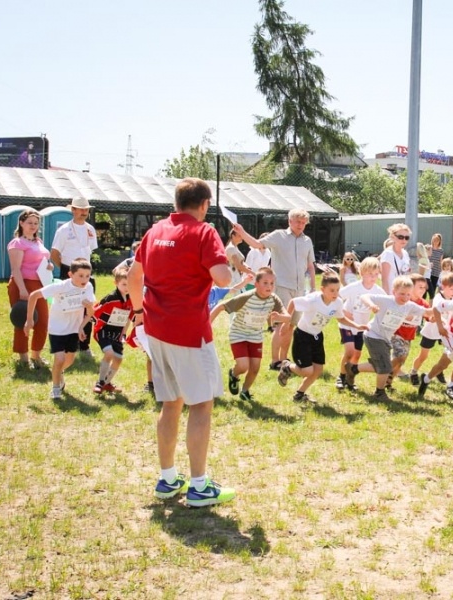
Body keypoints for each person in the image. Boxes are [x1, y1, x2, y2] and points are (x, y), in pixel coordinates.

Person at [128, 177, 236, 508]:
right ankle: (199, 486)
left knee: (170, 403)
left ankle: (168, 478)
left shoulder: (155, 231)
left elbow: (134, 276)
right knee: (201, 404)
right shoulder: (204, 232)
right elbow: (223, 278)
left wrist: (138, 312)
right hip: (189, 331)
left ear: (176, 202)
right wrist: (230, 262)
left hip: (157, 329)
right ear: (204, 205)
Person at [233, 209, 316, 371]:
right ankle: (274, 361)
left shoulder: (307, 241)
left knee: (291, 326)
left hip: (299, 290)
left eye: (303, 222)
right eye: (298, 222)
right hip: (282, 287)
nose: (300, 225)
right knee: (280, 325)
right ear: (290, 221)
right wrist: (241, 232)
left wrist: (312, 288)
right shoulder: (279, 235)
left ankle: (284, 359)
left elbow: (310, 266)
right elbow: (257, 244)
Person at [278, 273, 366, 402]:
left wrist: (356, 325)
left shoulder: (337, 303)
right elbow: (293, 303)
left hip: (317, 337)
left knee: (318, 370)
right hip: (303, 336)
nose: (335, 293)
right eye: (332, 290)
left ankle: (300, 394)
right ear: (322, 289)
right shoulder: (313, 300)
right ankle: (287, 366)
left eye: (337, 290)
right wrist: (286, 323)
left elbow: (341, 318)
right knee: (307, 371)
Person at [212, 267, 289, 402]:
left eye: (272, 283)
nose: (269, 286)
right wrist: (207, 325)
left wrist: (280, 317)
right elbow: (221, 306)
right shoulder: (246, 297)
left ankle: (245, 391)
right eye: (265, 283)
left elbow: (288, 317)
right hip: (238, 334)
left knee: (255, 368)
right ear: (256, 284)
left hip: (255, 336)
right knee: (243, 366)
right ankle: (234, 374)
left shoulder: (274, 299)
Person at [345, 275, 427, 401]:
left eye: (408, 294)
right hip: (373, 335)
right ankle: (379, 393)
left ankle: (353, 369)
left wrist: (440, 315)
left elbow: (427, 311)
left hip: (385, 338)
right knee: (385, 367)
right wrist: (372, 305)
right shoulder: (387, 300)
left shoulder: (409, 305)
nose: (405, 297)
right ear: (394, 292)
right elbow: (364, 296)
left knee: (381, 364)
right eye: (402, 294)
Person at [24, 258, 95, 400]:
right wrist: (29, 319)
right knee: (60, 358)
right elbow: (33, 296)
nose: (84, 279)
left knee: (69, 360)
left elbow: (91, 313)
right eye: (81, 275)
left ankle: (58, 372)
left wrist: (82, 326)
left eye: (87, 276)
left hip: (73, 329)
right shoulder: (60, 287)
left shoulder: (88, 287)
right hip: (57, 328)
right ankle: (56, 388)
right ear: (70, 274)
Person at [50, 197, 99, 358]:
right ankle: (67, 344)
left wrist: (84, 273)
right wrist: (66, 271)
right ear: (73, 210)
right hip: (69, 271)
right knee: (68, 309)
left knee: (87, 308)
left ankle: (84, 346)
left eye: (86, 209)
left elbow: (91, 251)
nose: (84, 212)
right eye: (80, 209)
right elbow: (54, 253)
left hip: (86, 272)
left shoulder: (90, 229)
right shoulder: (64, 230)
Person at [8, 210, 52, 368]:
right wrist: (22, 289)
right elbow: (16, 269)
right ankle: (23, 358)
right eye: (29, 223)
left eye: (36, 223)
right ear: (21, 223)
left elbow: (42, 260)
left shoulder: (38, 241)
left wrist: (49, 265)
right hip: (22, 284)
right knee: (23, 320)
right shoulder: (17, 243)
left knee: (43, 321)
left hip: (40, 285)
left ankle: (36, 355)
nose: (33, 226)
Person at [336, 256, 384, 390]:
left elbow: (386, 304)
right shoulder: (354, 287)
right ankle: (341, 376)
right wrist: (343, 312)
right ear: (361, 273)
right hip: (347, 324)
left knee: (357, 354)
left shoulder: (378, 291)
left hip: (362, 327)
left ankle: (350, 378)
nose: (373, 277)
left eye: (376, 274)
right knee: (350, 351)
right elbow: (336, 297)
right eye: (370, 274)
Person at [91, 264, 134, 394]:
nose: (127, 287)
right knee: (109, 353)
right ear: (116, 283)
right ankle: (100, 382)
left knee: (118, 359)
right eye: (124, 284)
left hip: (117, 334)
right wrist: (82, 326)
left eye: (129, 284)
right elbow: (95, 312)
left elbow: (128, 319)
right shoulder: (110, 298)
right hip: (104, 331)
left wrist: (123, 334)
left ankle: (107, 383)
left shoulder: (131, 300)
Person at [380, 223, 413, 292]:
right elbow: (384, 279)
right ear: (392, 237)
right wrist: (387, 297)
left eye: (407, 238)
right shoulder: (388, 254)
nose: (404, 240)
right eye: (400, 237)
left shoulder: (405, 253)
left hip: (404, 293)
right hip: (392, 293)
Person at [428, 233, 444, 299]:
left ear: (439, 241)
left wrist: (442, 271)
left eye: (437, 240)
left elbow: (441, 261)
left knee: (433, 287)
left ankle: (432, 300)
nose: (435, 241)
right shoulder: (429, 248)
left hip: (436, 271)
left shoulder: (441, 251)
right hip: (428, 270)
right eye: (434, 240)